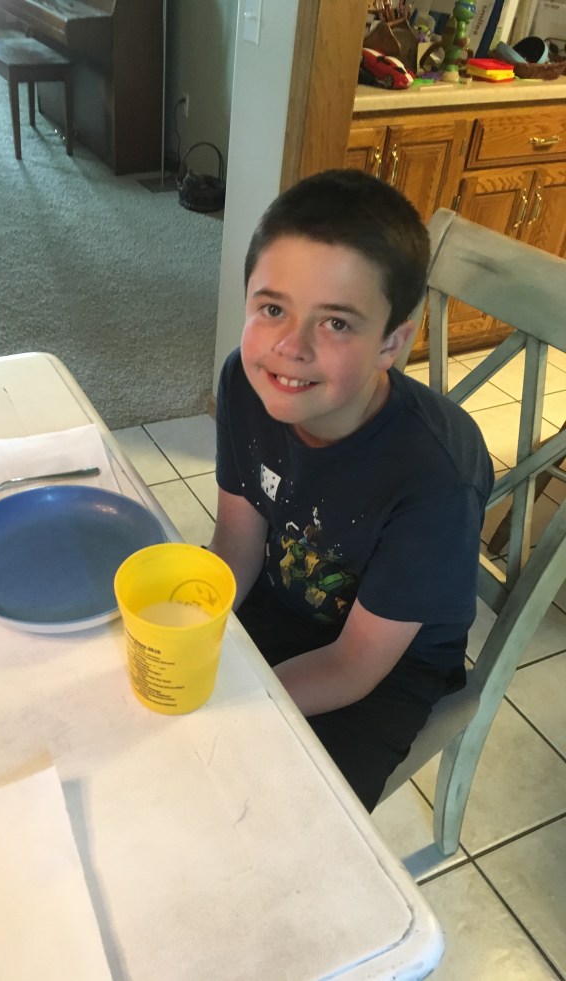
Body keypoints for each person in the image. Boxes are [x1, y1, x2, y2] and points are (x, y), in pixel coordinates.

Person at [208, 168, 494, 812]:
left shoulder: (435, 477)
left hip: (386, 664)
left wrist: (231, 700)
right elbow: (238, 540)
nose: (290, 347)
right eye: (272, 308)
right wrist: (193, 630)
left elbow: (354, 667)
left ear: (392, 341)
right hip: (282, 601)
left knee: (280, 821)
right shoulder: (245, 382)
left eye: (336, 323)